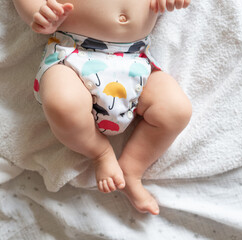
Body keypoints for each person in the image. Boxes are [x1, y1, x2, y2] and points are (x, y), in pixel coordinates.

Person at [13, 0, 192, 215]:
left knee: (176, 110)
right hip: (73, 53)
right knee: (62, 105)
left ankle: (132, 169)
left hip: (135, 59)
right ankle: (100, 153)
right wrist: (39, 14)